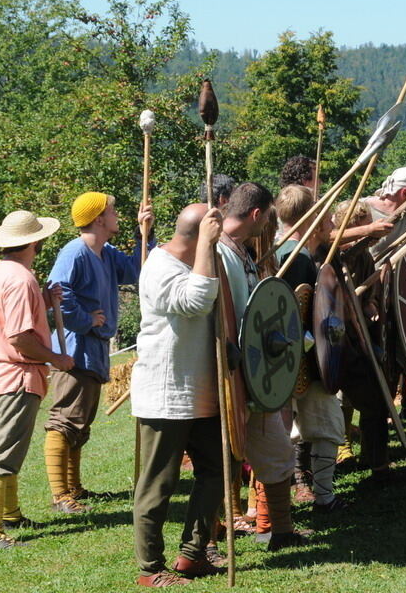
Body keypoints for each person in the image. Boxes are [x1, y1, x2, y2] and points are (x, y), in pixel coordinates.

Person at [130, 203, 227, 585]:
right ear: (196, 235)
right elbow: (194, 301)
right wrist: (207, 244)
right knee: (158, 485)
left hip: (201, 392)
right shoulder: (160, 266)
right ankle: (150, 570)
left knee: (218, 470)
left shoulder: (196, 262)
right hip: (166, 394)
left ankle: (193, 553)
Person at [43, 192, 153, 512]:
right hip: (74, 349)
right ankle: (60, 494)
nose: (117, 214)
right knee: (64, 421)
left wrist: (142, 232)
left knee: (80, 422)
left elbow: (137, 270)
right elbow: (56, 293)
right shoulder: (74, 252)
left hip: (95, 350)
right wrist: (85, 320)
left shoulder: (106, 253)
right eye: (113, 211)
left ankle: (73, 487)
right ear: (98, 219)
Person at [218, 182, 309, 551]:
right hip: (229, 374)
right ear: (257, 215)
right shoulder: (218, 254)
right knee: (219, 463)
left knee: (276, 451)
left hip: (256, 372)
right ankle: (208, 543)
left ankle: (281, 531)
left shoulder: (240, 252)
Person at [0, 210, 73, 549]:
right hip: (16, 376)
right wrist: (56, 358)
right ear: (34, 241)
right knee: (3, 451)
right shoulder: (19, 278)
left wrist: (44, 301)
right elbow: (19, 336)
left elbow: (17, 317)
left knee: (13, 447)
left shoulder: (8, 272)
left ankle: (11, 515)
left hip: (13, 375)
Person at [274, 186, 348, 512]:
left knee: (294, 429)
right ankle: (324, 497)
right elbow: (295, 310)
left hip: (288, 360)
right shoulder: (298, 257)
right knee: (327, 425)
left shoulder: (280, 251)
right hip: (304, 360)